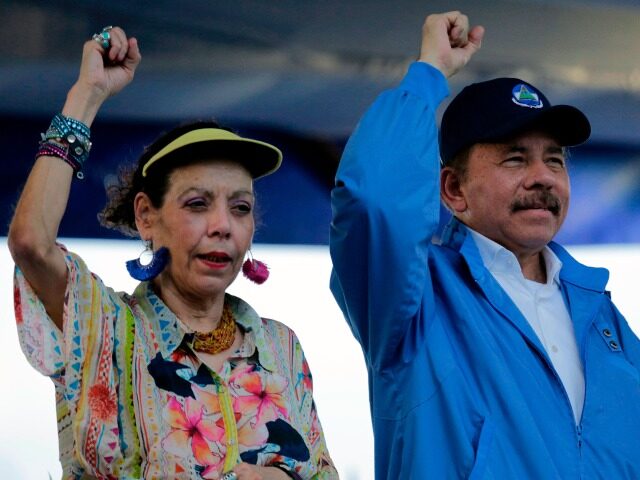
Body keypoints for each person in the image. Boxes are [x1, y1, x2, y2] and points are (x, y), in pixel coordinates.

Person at [9, 26, 337, 480]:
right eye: (198, 204)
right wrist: (86, 95)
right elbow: (31, 242)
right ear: (146, 216)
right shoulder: (104, 327)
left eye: (240, 208)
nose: (223, 225)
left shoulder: (280, 346)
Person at [330, 10, 640, 479]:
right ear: (453, 190)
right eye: (515, 158)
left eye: (554, 160)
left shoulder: (601, 315)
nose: (542, 177)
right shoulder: (412, 304)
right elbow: (375, 197)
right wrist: (428, 72)